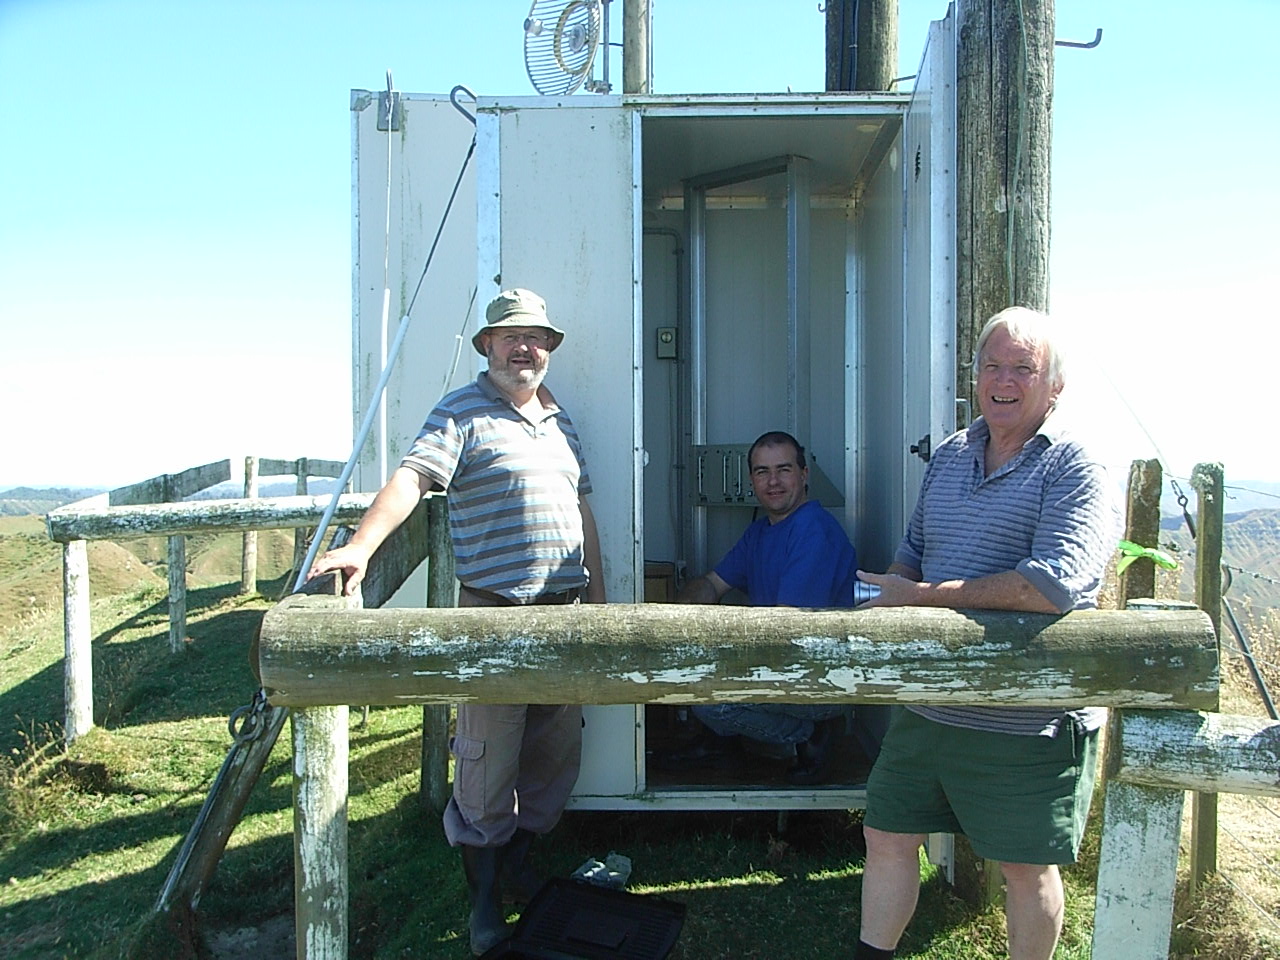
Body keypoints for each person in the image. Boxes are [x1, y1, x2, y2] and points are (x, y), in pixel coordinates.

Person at [308, 288, 604, 957]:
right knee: (484, 766)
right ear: (487, 346)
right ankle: (484, 904)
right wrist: (361, 547)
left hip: (566, 617)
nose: (524, 347)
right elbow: (412, 480)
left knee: (554, 756)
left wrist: (601, 606)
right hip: (494, 618)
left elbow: (582, 512)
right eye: (511, 336)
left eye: (536, 337)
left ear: (549, 349)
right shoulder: (460, 411)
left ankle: (520, 868)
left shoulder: (561, 421)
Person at [851, 307, 1121, 960]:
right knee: (886, 837)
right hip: (930, 706)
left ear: (1055, 385)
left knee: (1024, 870)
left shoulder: (1077, 465)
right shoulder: (951, 454)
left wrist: (921, 598)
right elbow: (914, 552)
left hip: (1027, 719)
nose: (1003, 381)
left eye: (1023, 368)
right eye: (991, 366)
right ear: (975, 377)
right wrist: (891, 595)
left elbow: (1051, 586)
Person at [659, 430, 857, 785]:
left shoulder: (814, 530)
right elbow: (712, 584)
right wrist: (678, 618)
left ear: (804, 474)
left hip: (820, 679)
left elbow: (786, 627)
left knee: (711, 700)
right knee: (694, 676)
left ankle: (811, 734)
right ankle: (723, 741)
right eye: (762, 472)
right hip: (778, 664)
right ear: (751, 480)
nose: (773, 481)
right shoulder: (761, 532)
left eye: (784, 469)